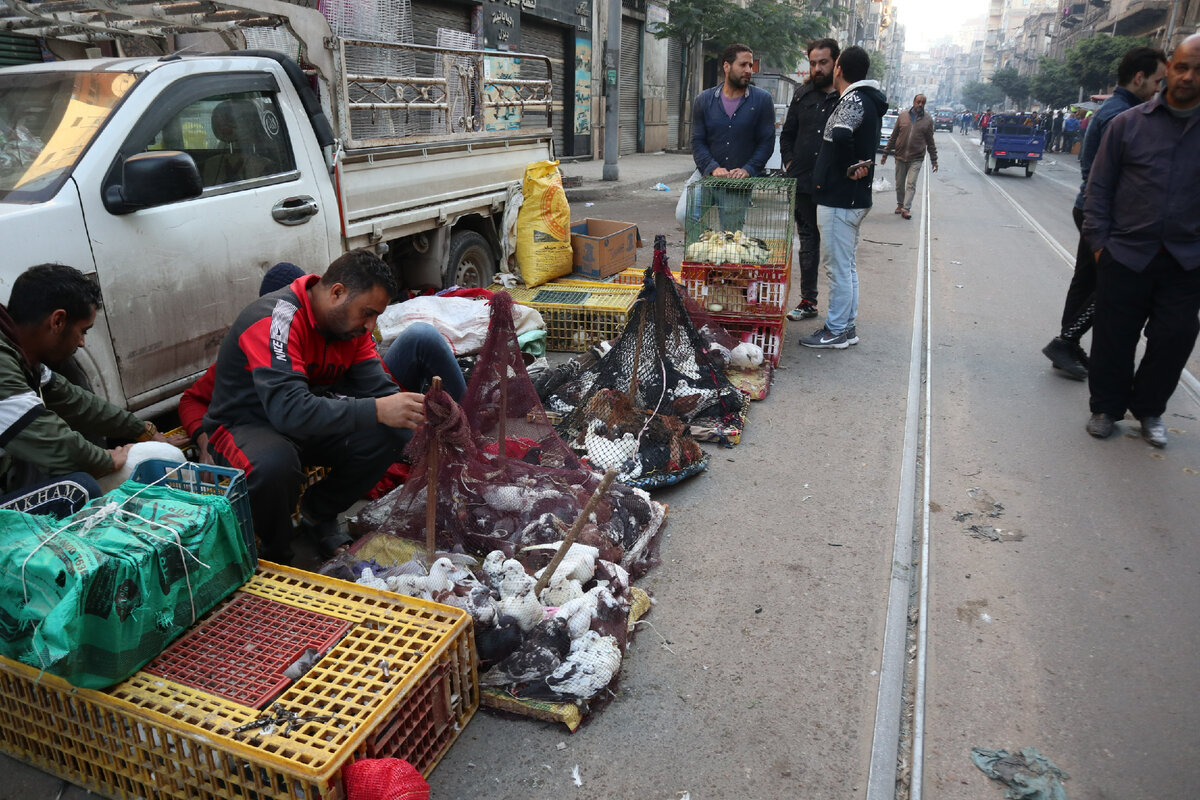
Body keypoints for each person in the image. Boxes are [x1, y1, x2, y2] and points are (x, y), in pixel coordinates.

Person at [202, 250, 458, 563]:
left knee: (394, 431)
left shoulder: (351, 330)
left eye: (376, 316)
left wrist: (423, 415)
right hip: (245, 426)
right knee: (274, 465)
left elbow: (380, 388)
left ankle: (315, 513)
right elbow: (289, 410)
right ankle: (278, 553)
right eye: (367, 313)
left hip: (301, 424)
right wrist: (377, 410)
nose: (370, 325)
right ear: (337, 292)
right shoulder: (276, 320)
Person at [1083, 34, 1200, 447]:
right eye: (1182, 66)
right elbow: (1099, 189)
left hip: (1186, 261)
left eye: (1197, 70)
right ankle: (1106, 408)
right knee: (1115, 335)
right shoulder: (1127, 125)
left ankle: (1149, 409)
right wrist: (1101, 245)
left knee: (1174, 337)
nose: (1188, 76)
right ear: (1168, 69)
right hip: (1126, 253)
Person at [0, 264, 183, 517]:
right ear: (58, 321)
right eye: (82, 331)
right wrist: (108, 460)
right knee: (77, 489)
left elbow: (76, 401)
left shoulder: (19, 353)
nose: (82, 342)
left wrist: (143, 430)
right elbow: (48, 438)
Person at [1042, 46, 1168, 380]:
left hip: (1093, 210)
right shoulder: (1122, 117)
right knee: (1113, 284)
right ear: (1139, 78)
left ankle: (1066, 345)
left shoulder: (1117, 109)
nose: (1159, 88)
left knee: (1086, 282)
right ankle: (1065, 342)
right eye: (1157, 80)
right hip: (1108, 216)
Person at [799, 46, 888, 350]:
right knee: (846, 266)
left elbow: (840, 135)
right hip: (850, 199)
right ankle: (847, 327)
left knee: (837, 268)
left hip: (840, 199)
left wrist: (849, 167)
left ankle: (835, 329)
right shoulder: (867, 99)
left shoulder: (852, 98)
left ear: (838, 68)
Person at [780, 38, 841, 322]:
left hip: (833, 186)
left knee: (835, 248)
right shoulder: (802, 94)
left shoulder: (845, 99)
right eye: (813, 63)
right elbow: (788, 134)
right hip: (802, 183)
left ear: (835, 64)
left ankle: (842, 314)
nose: (816, 68)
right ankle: (808, 300)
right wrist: (790, 162)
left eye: (823, 63)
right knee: (807, 243)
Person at [687, 43, 776, 232]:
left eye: (750, 66)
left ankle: (722, 255)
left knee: (731, 233)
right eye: (743, 65)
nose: (749, 70)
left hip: (738, 182)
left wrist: (749, 169)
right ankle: (707, 249)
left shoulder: (762, 100)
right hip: (706, 175)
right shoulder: (704, 100)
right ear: (726, 66)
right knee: (685, 214)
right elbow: (697, 140)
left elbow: (766, 141)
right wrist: (712, 168)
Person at [880, 93, 938, 220]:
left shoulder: (928, 120)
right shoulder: (902, 116)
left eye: (923, 102)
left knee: (911, 184)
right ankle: (900, 204)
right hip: (900, 156)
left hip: (916, 158)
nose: (920, 104)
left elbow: (930, 141)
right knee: (899, 184)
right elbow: (894, 136)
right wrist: (885, 153)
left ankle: (906, 209)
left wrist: (934, 160)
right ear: (913, 102)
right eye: (918, 102)